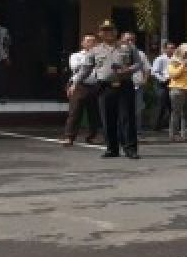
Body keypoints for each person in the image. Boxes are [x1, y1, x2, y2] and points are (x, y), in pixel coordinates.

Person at [75, 20, 141, 159]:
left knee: (127, 118)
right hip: (105, 87)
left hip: (124, 86)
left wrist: (128, 69)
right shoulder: (95, 50)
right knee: (107, 119)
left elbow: (138, 64)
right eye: (104, 30)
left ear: (116, 32)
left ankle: (130, 149)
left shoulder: (127, 47)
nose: (108, 33)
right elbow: (85, 69)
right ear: (100, 33)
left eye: (110, 30)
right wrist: (74, 82)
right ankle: (112, 148)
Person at [64, 33, 101, 145]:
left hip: (95, 85)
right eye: (88, 41)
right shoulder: (76, 55)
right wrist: (90, 58)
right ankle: (69, 136)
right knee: (75, 111)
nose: (91, 43)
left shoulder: (100, 55)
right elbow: (76, 67)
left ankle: (92, 136)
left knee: (94, 113)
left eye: (94, 41)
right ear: (83, 43)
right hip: (79, 85)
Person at [168, 43, 187, 141]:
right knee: (176, 113)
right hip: (177, 90)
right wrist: (183, 65)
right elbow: (173, 74)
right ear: (181, 51)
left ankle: (185, 134)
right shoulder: (174, 61)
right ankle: (174, 135)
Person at [151, 41, 176, 131]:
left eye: (173, 48)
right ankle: (156, 126)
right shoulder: (160, 59)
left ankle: (172, 126)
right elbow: (154, 72)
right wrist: (162, 79)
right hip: (162, 83)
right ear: (165, 49)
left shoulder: (175, 59)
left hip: (172, 83)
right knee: (161, 105)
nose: (171, 50)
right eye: (169, 48)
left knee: (171, 105)